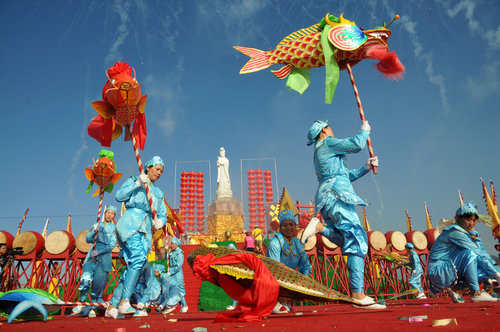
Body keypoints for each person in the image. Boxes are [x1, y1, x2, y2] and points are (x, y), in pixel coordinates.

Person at [300, 120, 382, 309]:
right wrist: (364, 131)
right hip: (337, 196)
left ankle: (320, 227)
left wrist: (366, 168)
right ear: (323, 131)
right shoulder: (327, 143)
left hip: (329, 196)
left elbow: (345, 175)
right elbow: (356, 145)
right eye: (329, 127)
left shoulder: (321, 151)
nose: (332, 128)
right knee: (357, 238)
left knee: (347, 241)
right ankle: (358, 294)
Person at [106, 156, 168, 319]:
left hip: (146, 229)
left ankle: (112, 305)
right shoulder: (134, 180)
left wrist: (162, 220)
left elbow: (162, 213)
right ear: (147, 167)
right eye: (156, 168)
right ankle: (124, 301)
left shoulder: (159, 193)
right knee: (139, 259)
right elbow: (119, 196)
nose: (159, 172)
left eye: (161, 171)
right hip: (130, 224)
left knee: (135, 265)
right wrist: (137, 184)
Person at [426, 202, 500, 303]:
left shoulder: (466, 234)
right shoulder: (455, 232)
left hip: (448, 267)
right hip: (438, 271)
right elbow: (477, 252)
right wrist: (496, 273)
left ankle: (455, 288)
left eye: (474, 220)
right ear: (458, 219)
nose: (471, 223)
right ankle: (475, 293)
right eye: (468, 219)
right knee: (470, 253)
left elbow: (482, 254)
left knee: (484, 269)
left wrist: (491, 276)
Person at [73, 205, 118, 317]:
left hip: (104, 259)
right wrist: (94, 230)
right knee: (85, 279)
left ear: (114, 216)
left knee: (98, 285)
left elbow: (111, 245)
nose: (109, 215)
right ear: (105, 213)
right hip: (92, 257)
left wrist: (99, 252)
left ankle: (92, 308)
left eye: (112, 213)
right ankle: (82, 302)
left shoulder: (114, 229)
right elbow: (88, 239)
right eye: (108, 212)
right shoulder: (98, 224)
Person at [266, 209, 312, 313]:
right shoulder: (275, 244)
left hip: (288, 283)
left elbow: (305, 265)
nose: (288, 228)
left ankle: (283, 303)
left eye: (291, 224)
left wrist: (303, 279)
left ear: (295, 225)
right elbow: (276, 270)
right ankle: (275, 302)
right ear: (280, 227)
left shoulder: (297, 243)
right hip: (273, 285)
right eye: (285, 225)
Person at [158, 237, 187, 314]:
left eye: (173, 244)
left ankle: (184, 305)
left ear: (176, 244)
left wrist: (170, 272)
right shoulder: (172, 252)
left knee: (179, 290)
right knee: (171, 289)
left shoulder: (179, 253)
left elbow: (179, 266)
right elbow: (166, 258)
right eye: (171, 244)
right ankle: (169, 305)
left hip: (177, 274)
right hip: (171, 272)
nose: (172, 245)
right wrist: (166, 251)